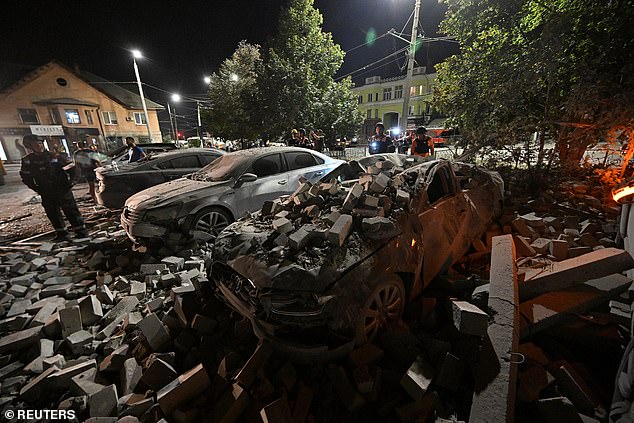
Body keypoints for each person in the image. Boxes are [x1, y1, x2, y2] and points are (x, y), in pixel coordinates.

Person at [20, 134, 88, 241]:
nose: (39, 146)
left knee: (71, 212)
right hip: (46, 192)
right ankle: (62, 234)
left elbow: (73, 170)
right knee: (53, 214)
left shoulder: (56, 156)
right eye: (35, 144)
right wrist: (36, 188)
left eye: (40, 143)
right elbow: (25, 176)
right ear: (30, 147)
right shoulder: (27, 161)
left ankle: (81, 233)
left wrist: (71, 183)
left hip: (62, 190)